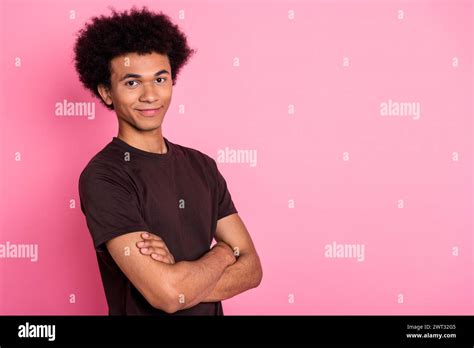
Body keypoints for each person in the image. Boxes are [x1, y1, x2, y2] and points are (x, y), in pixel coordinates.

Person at [75, 6, 262, 315]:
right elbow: (166, 294)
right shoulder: (103, 177)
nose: (150, 95)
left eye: (160, 79)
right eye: (132, 83)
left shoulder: (202, 166)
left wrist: (181, 277)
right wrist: (224, 254)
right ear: (107, 92)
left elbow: (253, 269)